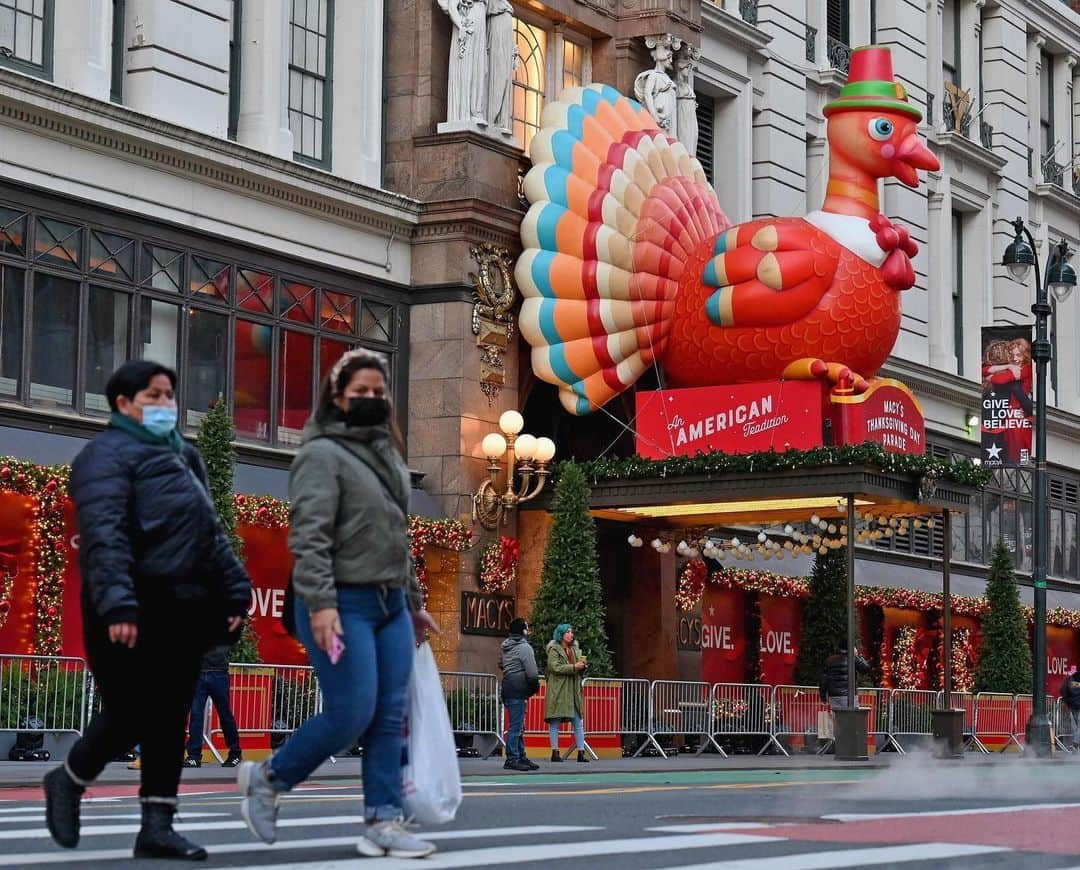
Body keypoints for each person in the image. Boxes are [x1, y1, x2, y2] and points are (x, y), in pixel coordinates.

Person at [43, 360, 252, 861]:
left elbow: (210, 532)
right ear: (123, 403)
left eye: (169, 396)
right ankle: (68, 779)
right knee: (134, 711)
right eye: (153, 396)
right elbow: (105, 533)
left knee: (167, 718)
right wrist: (118, 603)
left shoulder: (187, 457)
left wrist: (235, 591)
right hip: (124, 607)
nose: (165, 406)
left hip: (182, 609)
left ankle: (157, 825)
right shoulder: (103, 456)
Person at [237, 348, 440, 859]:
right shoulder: (320, 454)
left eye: (378, 392)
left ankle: (384, 821)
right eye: (361, 392)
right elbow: (309, 537)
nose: (371, 399)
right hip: (338, 602)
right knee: (352, 712)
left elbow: (397, 534)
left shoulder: (390, 458)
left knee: (389, 715)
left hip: (390, 603)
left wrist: (413, 602)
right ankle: (267, 779)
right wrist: (322, 604)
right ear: (336, 396)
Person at [184, 645, 242, 768]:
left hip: (219, 671)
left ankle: (235, 753)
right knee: (196, 714)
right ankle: (194, 756)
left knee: (224, 714)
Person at [499, 617, 540, 772]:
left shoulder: (505, 646)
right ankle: (512, 758)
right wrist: (534, 686)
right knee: (516, 727)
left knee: (518, 725)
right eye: (526, 628)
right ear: (523, 630)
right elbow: (532, 672)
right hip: (519, 689)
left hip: (507, 687)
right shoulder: (525, 648)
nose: (528, 630)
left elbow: (500, 663)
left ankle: (521, 756)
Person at [545, 623, 589, 763]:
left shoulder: (575, 649)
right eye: (567, 632)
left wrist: (583, 666)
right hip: (559, 689)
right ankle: (555, 752)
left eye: (571, 631)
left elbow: (576, 667)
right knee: (555, 721)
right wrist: (574, 667)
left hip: (573, 690)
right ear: (561, 634)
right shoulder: (554, 649)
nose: (571, 634)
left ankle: (581, 753)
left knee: (578, 721)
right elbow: (555, 667)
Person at [819, 639, 871, 711]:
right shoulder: (853, 658)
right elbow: (866, 669)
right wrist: (858, 655)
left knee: (837, 718)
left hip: (834, 695)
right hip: (849, 695)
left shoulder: (829, 660)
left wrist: (823, 697)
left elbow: (823, 680)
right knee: (852, 718)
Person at [1059, 665, 1080, 750]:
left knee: (1077, 726)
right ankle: (1075, 744)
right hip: (1077, 705)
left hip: (1073, 706)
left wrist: (1067, 701)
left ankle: (1076, 745)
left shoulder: (1070, 678)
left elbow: (1062, 690)